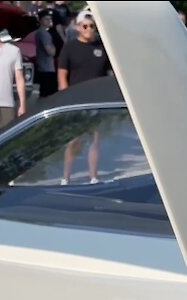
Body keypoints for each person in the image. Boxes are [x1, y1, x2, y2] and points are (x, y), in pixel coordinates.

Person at [57, 12, 112, 184]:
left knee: (95, 139)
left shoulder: (102, 47)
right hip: (76, 99)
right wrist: (66, 97)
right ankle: (66, 177)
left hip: (96, 100)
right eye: (85, 26)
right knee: (74, 140)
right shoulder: (70, 47)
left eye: (92, 26)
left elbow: (110, 73)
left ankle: (93, 176)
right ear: (78, 27)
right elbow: (62, 74)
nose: (89, 29)